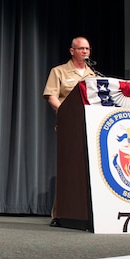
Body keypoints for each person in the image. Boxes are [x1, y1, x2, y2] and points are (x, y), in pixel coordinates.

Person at [43, 37, 96, 227]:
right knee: (68, 171)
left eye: (87, 49)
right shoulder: (59, 72)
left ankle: (86, 213)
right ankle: (59, 214)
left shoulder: (93, 75)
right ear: (72, 51)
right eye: (81, 48)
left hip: (89, 127)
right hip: (68, 128)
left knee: (87, 172)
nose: (85, 52)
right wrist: (65, 114)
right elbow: (51, 96)